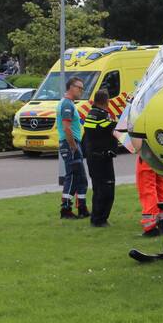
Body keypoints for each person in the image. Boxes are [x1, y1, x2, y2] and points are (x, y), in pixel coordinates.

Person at [82, 89, 118, 227]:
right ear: (106, 101)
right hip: (102, 158)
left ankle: (96, 218)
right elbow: (111, 127)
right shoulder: (101, 116)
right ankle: (100, 219)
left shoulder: (91, 114)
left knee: (98, 188)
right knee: (106, 189)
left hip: (94, 158)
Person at [57, 76, 89, 219]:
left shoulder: (69, 103)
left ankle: (82, 207)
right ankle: (66, 209)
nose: (81, 91)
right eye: (79, 87)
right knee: (74, 177)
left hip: (73, 143)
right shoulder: (67, 105)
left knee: (81, 178)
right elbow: (66, 128)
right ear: (71, 87)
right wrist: (73, 146)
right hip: (71, 144)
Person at [136, 154, 163, 237]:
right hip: (159, 155)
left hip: (146, 154)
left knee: (147, 191)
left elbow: (138, 142)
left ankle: (150, 227)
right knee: (160, 188)